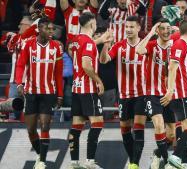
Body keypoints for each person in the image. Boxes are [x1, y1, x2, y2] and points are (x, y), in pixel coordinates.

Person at [15, 18, 63, 169]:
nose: (51, 32)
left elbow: (58, 73)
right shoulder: (28, 45)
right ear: (39, 29)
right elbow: (21, 65)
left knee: (45, 125)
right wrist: (19, 83)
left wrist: (60, 95)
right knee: (30, 129)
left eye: (52, 29)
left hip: (48, 93)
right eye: (48, 29)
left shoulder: (56, 47)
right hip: (31, 92)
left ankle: (42, 161)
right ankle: (39, 154)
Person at [100, 16, 147, 169]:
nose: (128, 29)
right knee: (125, 131)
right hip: (124, 95)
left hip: (141, 94)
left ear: (139, 28)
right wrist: (106, 45)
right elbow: (104, 60)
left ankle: (134, 163)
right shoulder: (119, 46)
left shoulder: (145, 46)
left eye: (132, 27)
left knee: (138, 129)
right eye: (126, 27)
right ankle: (134, 161)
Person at [160, 19, 187, 169]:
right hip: (181, 94)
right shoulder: (180, 44)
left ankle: (179, 162)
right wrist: (170, 90)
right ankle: (175, 157)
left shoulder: (185, 46)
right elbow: (172, 67)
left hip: (185, 93)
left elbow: (186, 67)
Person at [67, 12, 106, 169]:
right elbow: (86, 65)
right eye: (95, 23)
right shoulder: (88, 42)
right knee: (97, 123)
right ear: (91, 24)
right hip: (88, 89)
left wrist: (100, 40)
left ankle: (74, 162)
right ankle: (90, 161)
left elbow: (76, 51)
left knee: (76, 126)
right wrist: (99, 82)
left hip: (76, 89)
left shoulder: (76, 41)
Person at [136, 18, 175, 168]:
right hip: (152, 93)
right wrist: (151, 32)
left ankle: (158, 154)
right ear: (158, 31)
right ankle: (167, 162)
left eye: (168, 29)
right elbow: (139, 50)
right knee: (159, 125)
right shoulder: (152, 45)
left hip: (170, 94)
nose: (166, 31)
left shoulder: (175, 46)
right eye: (162, 29)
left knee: (171, 135)